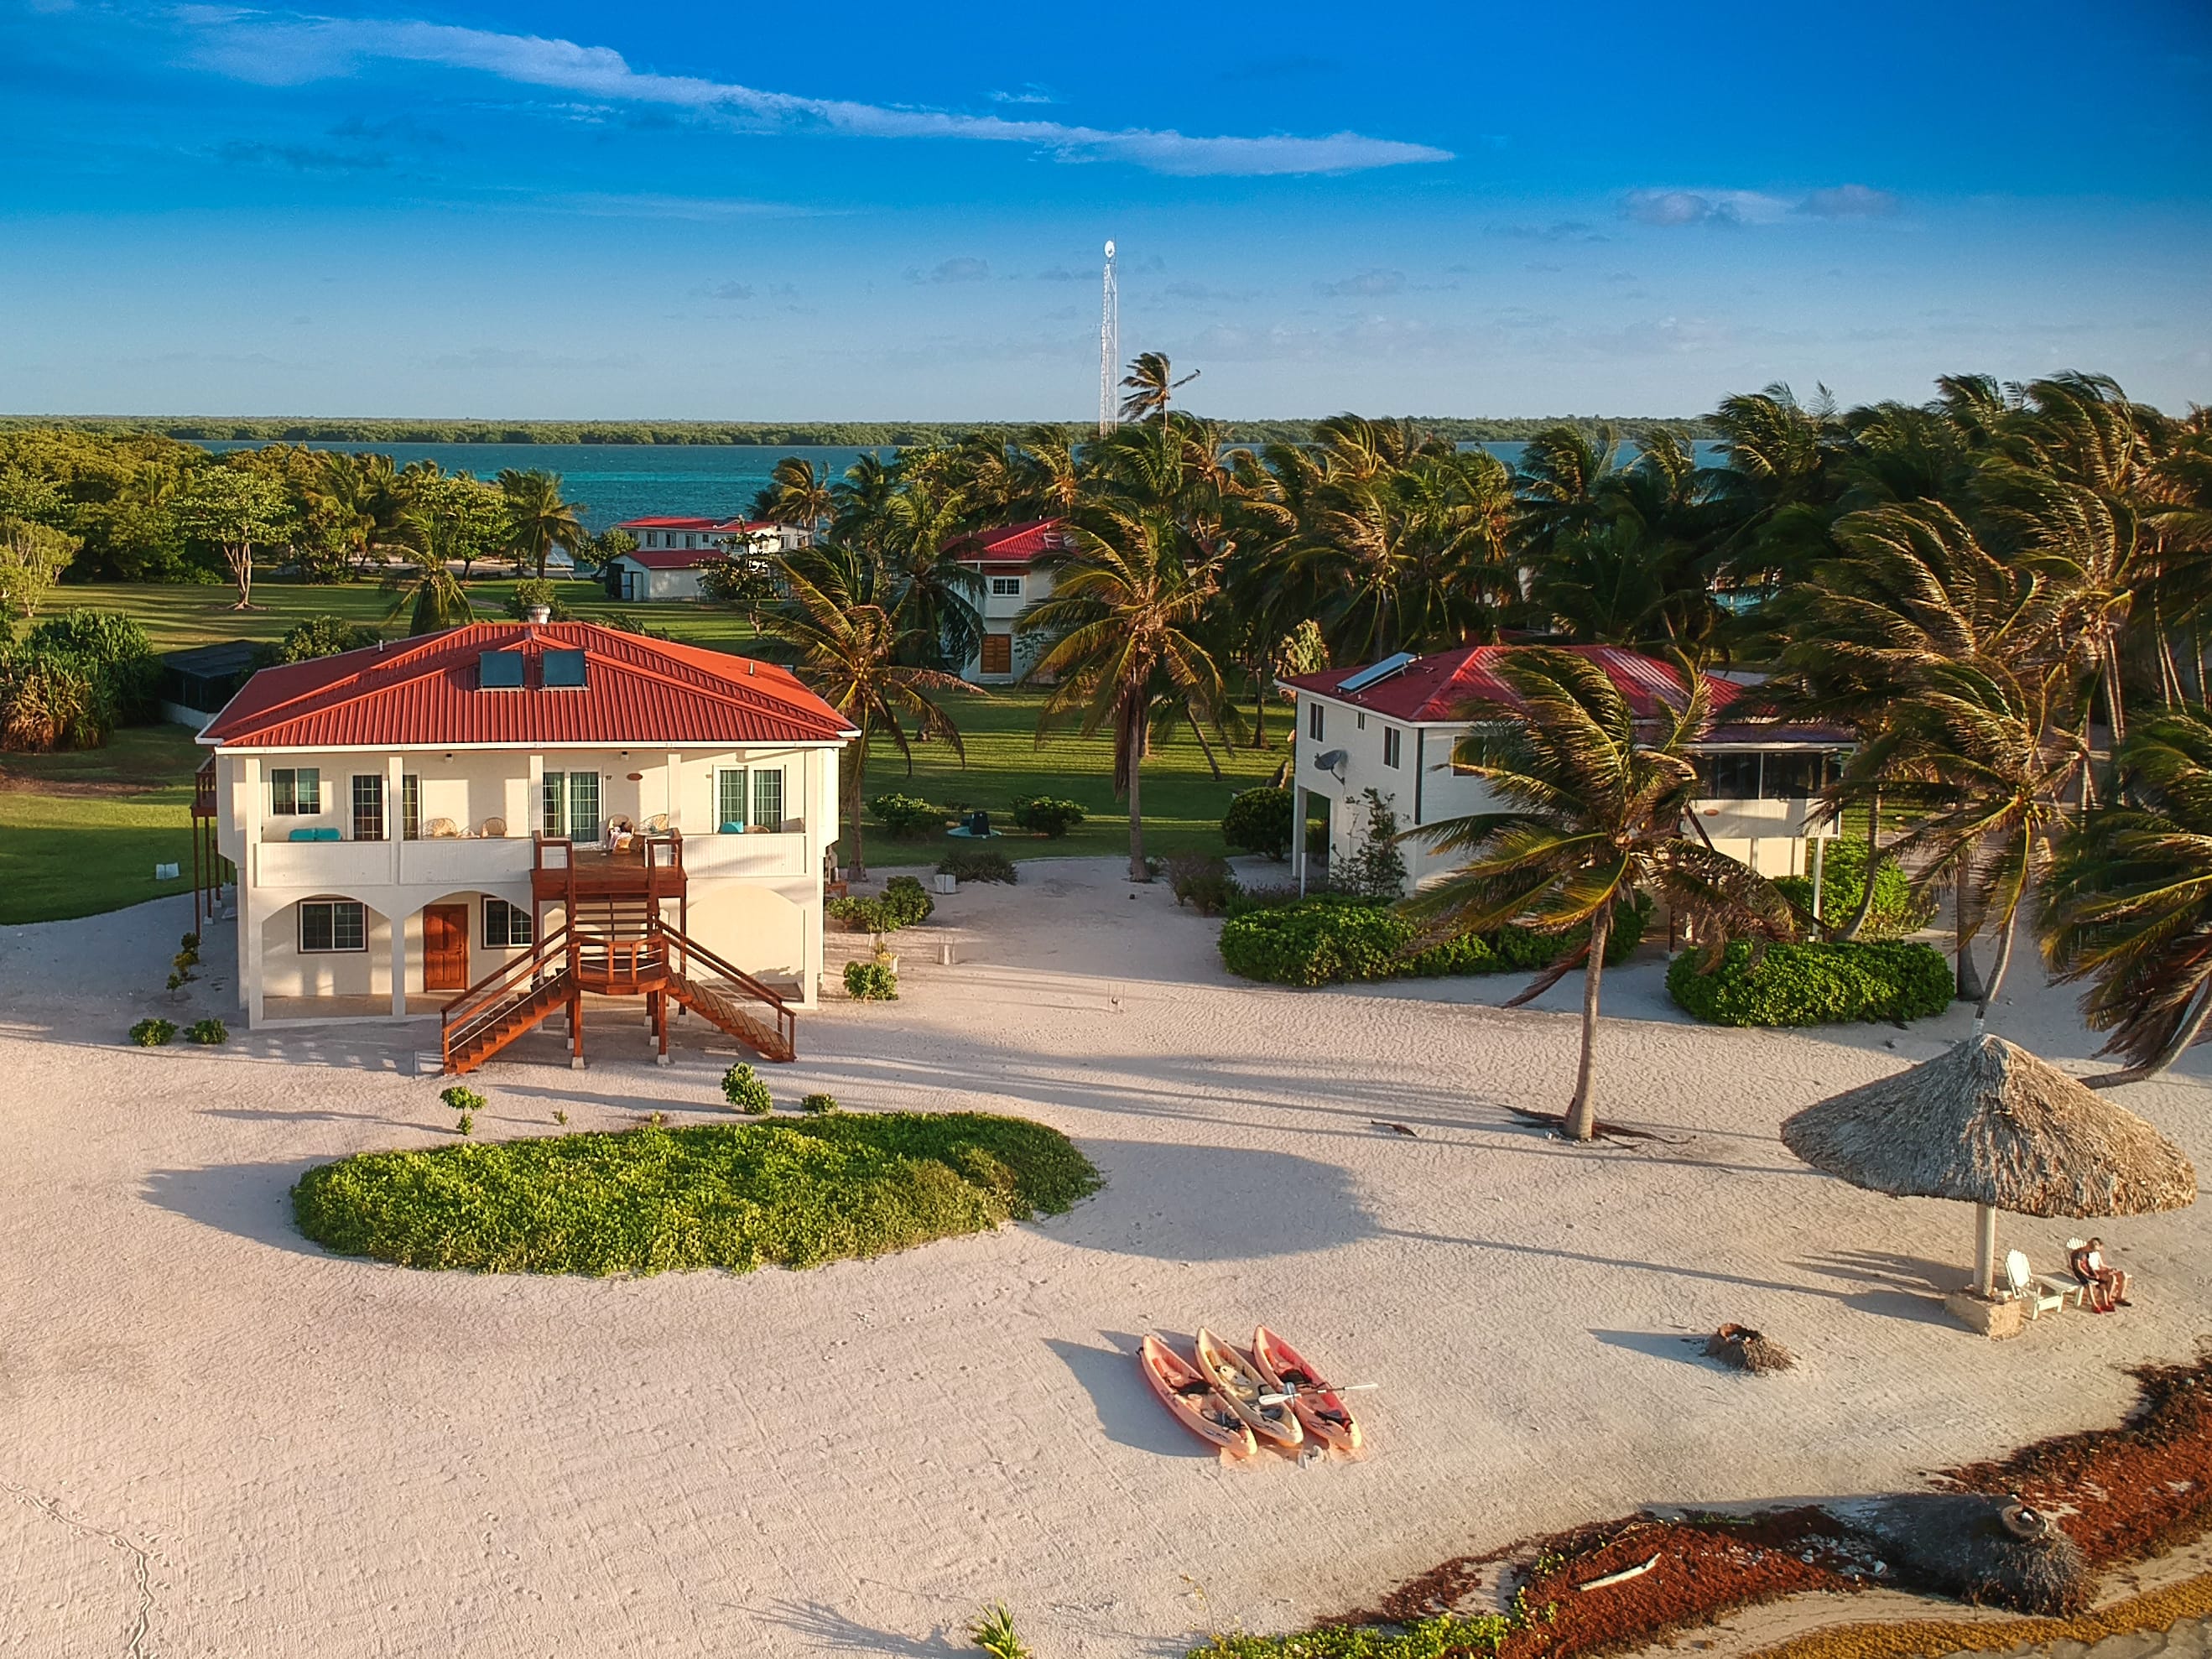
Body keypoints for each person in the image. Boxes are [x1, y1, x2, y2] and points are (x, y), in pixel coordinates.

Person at [2069, 1236, 2131, 1312]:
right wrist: (2090, 1274)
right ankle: (2100, 1303)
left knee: (2119, 1276)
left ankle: (2113, 1300)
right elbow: (2078, 1267)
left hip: (2092, 1272)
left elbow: (2094, 1265)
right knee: (2107, 1280)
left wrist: (2107, 1270)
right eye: (2093, 1251)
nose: (2093, 1252)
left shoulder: (2088, 1253)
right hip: (2086, 1273)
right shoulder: (2079, 1253)